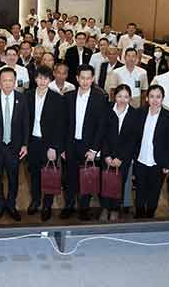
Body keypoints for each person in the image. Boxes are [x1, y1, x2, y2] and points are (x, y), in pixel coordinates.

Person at [61, 64, 108, 220]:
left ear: (93, 79)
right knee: (70, 178)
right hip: (70, 144)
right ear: (77, 78)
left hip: (89, 146)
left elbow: (101, 126)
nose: (85, 81)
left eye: (88, 78)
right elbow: (64, 124)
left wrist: (94, 149)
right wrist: (62, 148)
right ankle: (68, 205)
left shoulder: (99, 98)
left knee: (87, 178)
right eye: (82, 78)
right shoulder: (68, 97)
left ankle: (84, 207)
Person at [0, 67, 29, 222]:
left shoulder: (22, 98)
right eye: (4, 80)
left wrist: (25, 144)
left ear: (15, 81)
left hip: (14, 146)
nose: (7, 83)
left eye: (11, 80)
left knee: (13, 177)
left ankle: (11, 204)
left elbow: (26, 123)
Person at [26, 66, 64, 222]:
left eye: (46, 78)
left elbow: (60, 126)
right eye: (40, 78)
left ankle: (47, 205)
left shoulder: (57, 99)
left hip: (49, 144)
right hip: (32, 142)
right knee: (34, 174)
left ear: (50, 80)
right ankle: (35, 201)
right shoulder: (27, 96)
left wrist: (54, 147)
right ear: (35, 79)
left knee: (49, 175)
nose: (42, 81)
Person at [133, 85, 169, 218]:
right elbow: (133, 137)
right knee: (140, 189)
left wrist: (168, 163)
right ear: (147, 98)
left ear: (162, 99)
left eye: (158, 97)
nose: (155, 100)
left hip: (158, 162)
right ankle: (139, 214)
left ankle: (150, 214)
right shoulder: (139, 113)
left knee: (155, 191)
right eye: (152, 96)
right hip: (140, 159)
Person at [100, 84, 140, 223]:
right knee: (105, 182)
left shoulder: (134, 114)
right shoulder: (107, 110)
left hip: (123, 157)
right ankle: (105, 207)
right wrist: (106, 155)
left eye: (126, 97)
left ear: (130, 98)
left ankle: (115, 209)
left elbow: (133, 140)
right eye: (119, 96)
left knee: (119, 183)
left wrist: (120, 157)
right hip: (107, 155)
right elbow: (103, 134)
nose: (122, 100)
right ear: (114, 96)